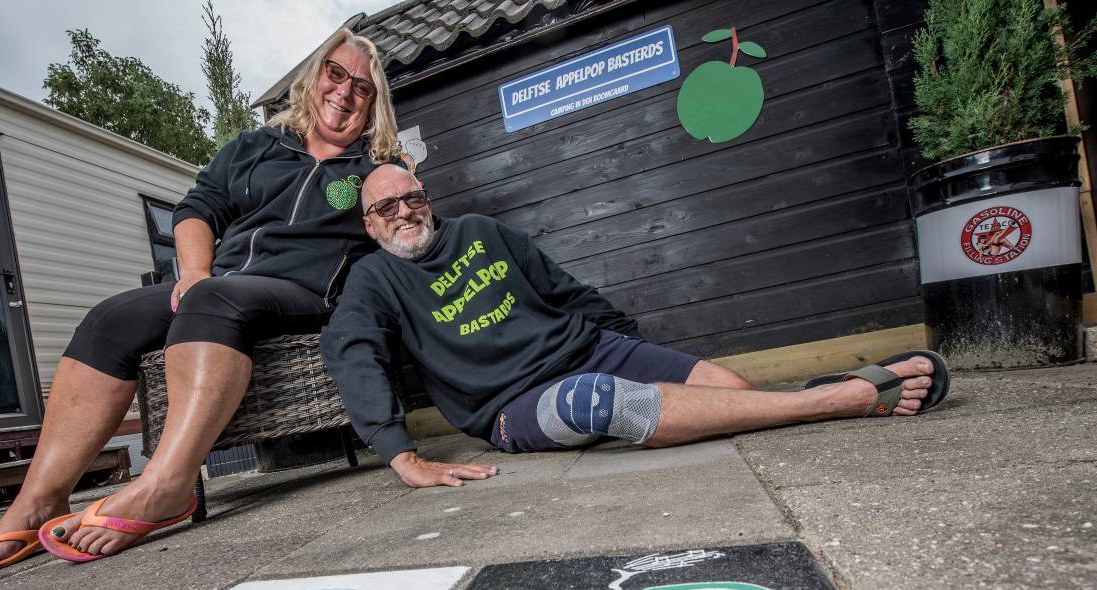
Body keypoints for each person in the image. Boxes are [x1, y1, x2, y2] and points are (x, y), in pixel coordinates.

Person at [0, 28, 401, 578]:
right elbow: (196, 208)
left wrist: (394, 193)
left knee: (212, 300)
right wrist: (196, 272)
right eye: (336, 74)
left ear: (373, 106)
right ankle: (38, 500)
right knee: (110, 319)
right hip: (223, 279)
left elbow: (404, 224)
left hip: (304, 293)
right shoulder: (255, 146)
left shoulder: (372, 167)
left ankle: (166, 485)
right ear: (314, 77)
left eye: (362, 87)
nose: (344, 93)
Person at [320, 165, 951, 489]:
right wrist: (400, 454)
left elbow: (566, 291)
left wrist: (634, 347)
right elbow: (352, 352)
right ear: (370, 225)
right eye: (386, 208)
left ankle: (827, 389)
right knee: (598, 404)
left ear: (426, 198)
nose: (405, 213)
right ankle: (839, 399)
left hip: (591, 348)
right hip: (513, 406)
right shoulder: (374, 279)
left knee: (728, 389)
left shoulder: (480, 231)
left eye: (413, 199)